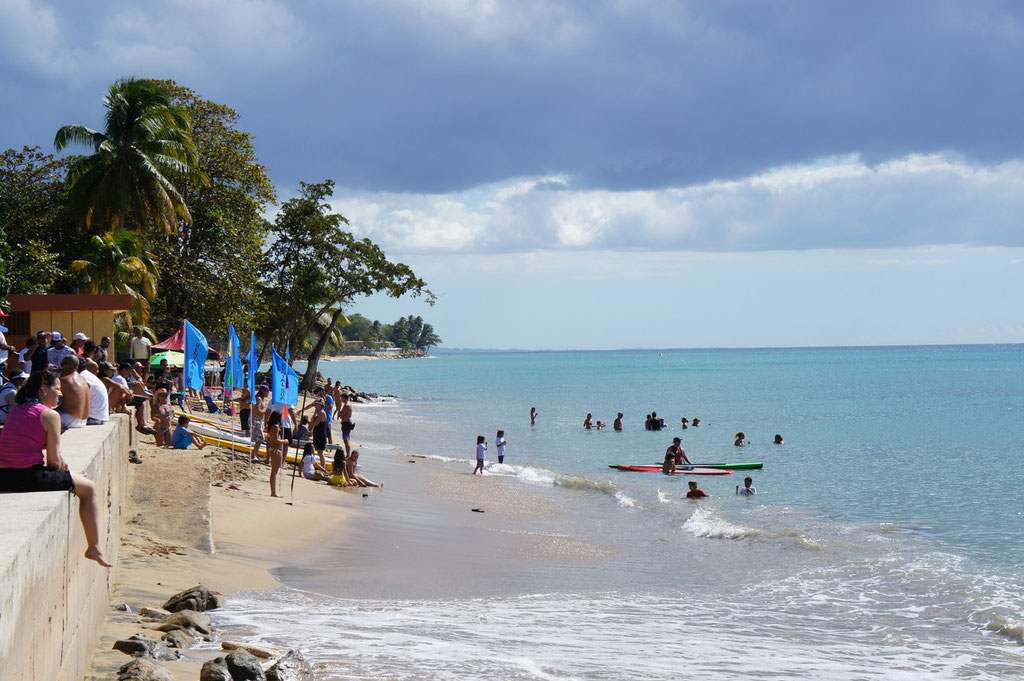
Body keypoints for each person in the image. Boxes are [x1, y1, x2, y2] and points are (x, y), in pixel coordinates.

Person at [0, 371, 112, 566]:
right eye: (57, 389)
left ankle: (94, 547)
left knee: (73, 476)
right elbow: (52, 463)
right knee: (89, 488)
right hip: (27, 477)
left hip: (4, 475)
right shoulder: (50, 415)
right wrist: (65, 471)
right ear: (44, 389)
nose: (61, 394)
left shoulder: (17, 409)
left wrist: (66, 471)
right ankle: (94, 547)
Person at [57, 355, 89, 431]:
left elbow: (51, 401)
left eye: (62, 364)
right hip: (83, 421)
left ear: (66, 365)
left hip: (71, 420)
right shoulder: (83, 380)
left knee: (41, 417)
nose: (61, 367)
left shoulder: (65, 380)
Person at [80, 358, 110, 426]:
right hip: (100, 417)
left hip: (93, 418)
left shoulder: (82, 377)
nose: (98, 371)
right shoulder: (89, 376)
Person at [265, 410, 285, 497]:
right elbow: (275, 440)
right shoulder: (276, 427)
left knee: (274, 472)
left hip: (274, 449)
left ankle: (273, 491)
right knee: (274, 472)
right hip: (276, 449)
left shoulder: (271, 426)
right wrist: (284, 441)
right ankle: (273, 492)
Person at [249, 385, 268, 464]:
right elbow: (258, 411)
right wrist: (267, 411)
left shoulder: (262, 399)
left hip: (258, 420)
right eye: (267, 391)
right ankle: (253, 455)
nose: (268, 393)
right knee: (260, 438)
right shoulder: (258, 399)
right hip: (255, 419)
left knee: (259, 438)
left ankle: (254, 454)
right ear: (263, 391)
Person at [308, 399, 328, 470]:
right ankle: (316, 465)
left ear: (320, 405)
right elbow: (312, 422)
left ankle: (323, 467)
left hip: (321, 434)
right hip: (316, 433)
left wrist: (314, 418)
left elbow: (315, 423)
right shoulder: (317, 412)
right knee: (316, 450)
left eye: (316, 404)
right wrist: (314, 414)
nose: (315, 405)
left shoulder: (322, 413)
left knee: (320, 452)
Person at [338, 392, 354, 458]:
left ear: (344, 398)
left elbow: (340, 415)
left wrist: (339, 409)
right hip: (347, 423)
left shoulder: (346, 406)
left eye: (341, 398)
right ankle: (348, 454)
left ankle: (348, 455)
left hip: (346, 424)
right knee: (346, 439)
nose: (341, 399)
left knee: (346, 440)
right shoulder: (348, 405)